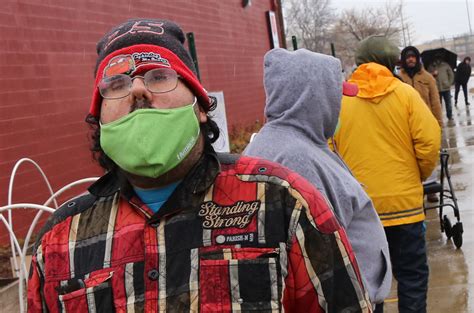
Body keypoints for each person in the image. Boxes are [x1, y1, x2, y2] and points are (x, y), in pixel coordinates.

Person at [27, 19, 372, 312]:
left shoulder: (283, 203)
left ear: (201, 106)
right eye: (116, 84)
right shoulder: (59, 240)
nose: (136, 90)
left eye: (159, 76)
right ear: (99, 120)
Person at [244, 48, 391, 305]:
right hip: (342, 301)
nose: (341, 106)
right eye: (337, 97)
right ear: (316, 97)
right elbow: (317, 255)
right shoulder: (295, 156)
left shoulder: (299, 142)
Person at [333, 35, 441, 313]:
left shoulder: (340, 100)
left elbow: (329, 150)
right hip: (404, 208)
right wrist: (415, 176)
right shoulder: (405, 94)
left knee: (368, 284)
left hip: (360, 211)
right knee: (412, 277)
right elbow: (429, 142)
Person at [399, 46, 443, 203]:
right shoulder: (398, 78)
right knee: (409, 159)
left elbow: (436, 103)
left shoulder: (427, 78)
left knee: (428, 154)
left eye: (413, 57)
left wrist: (438, 124)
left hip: (426, 123)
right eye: (408, 57)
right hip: (404, 125)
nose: (411, 59)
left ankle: (431, 189)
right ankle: (414, 190)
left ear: (417, 59)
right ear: (403, 60)